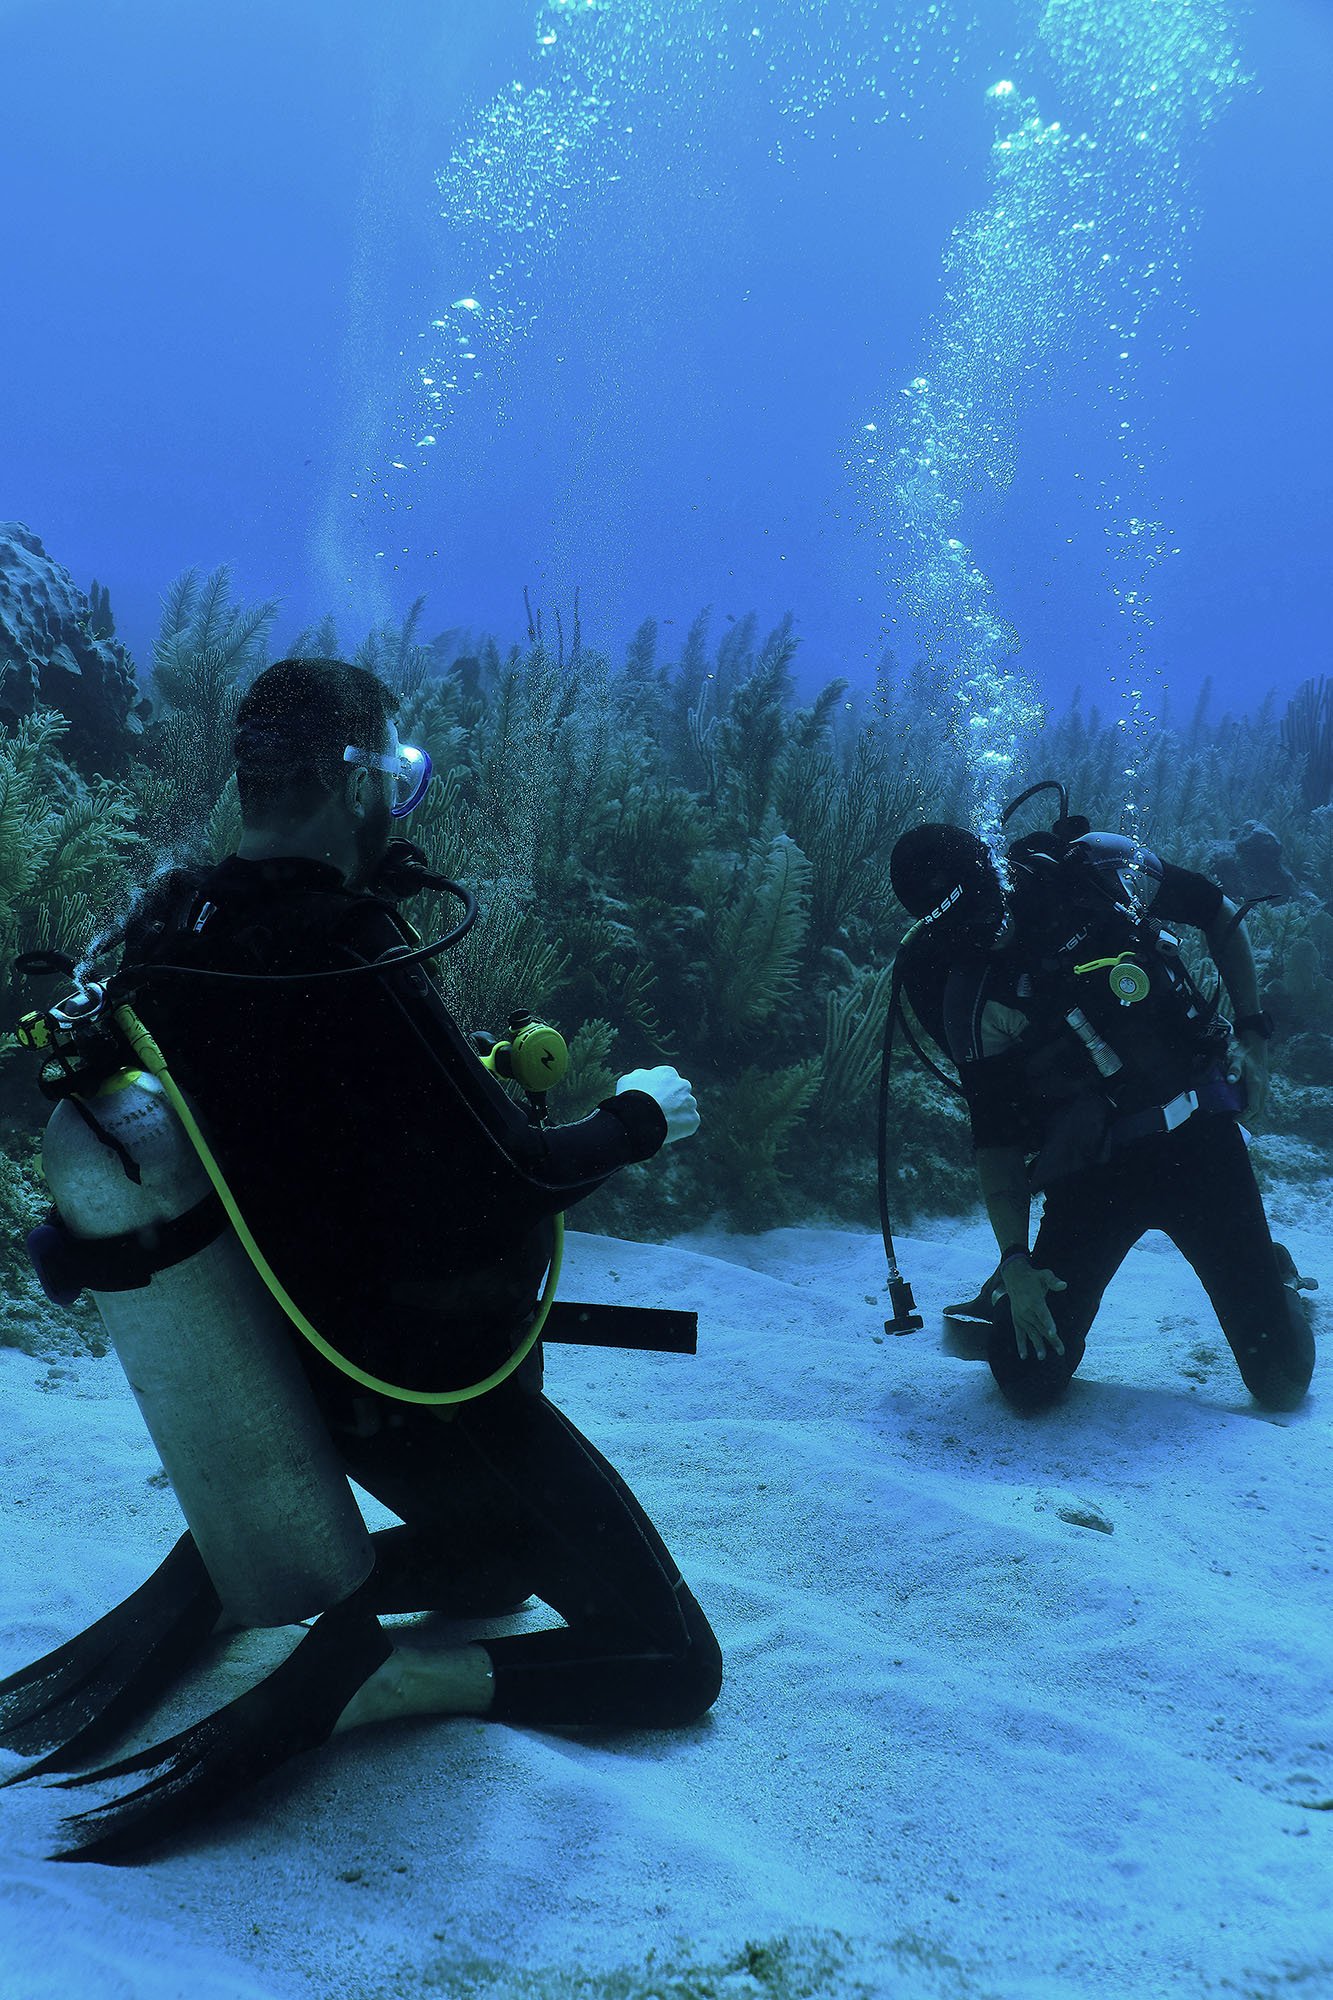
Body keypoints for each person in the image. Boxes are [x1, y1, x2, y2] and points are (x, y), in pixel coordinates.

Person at [112, 656, 722, 1739]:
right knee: (674, 1660)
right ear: (353, 783)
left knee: (494, 1575)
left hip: (312, 1389)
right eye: (398, 769)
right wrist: (639, 1116)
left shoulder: (169, 935)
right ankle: (388, 1681)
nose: (399, 796)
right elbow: (513, 1174)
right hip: (435, 1388)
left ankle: (242, 1572)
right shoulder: (344, 944)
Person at [889, 818, 1315, 1415]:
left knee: (1281, 1381)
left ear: (991, 864)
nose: (984, 930)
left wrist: (1252, 1031)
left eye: (981, 902)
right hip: (1094, 1176)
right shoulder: (971, 996)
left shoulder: (1094, 867)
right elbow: (997, 1141)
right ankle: (1010, 1290)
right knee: (1026, 1379)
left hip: (1202, 1144)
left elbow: (1216, 911)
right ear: (933, 929)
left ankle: (1274, 1277)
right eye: (957, 925)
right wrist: (1015, 1261)